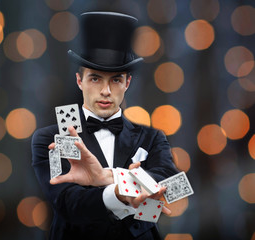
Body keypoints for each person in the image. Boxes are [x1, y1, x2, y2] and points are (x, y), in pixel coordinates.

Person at [31, 12, 179, 240]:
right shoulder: (52, 137)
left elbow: (173, 186)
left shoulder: (152, 137)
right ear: (79, 81)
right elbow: (68, 202)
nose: (106, 91)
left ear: (127, 83)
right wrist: (119, 191)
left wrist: (107, 177)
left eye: (116, 80)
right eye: (95, 78)